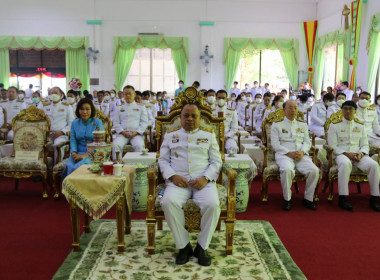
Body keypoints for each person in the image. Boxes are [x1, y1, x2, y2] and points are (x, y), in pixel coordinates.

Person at [159, 103, 222, 266]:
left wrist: (206, 178)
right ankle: (184, 246)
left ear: (200, 118)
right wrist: (172, 176)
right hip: (179, 182)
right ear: (180, 118)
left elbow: (216, 161)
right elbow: (163, 160)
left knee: (213, 204)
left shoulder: (209, 135)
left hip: (203, 182)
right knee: (168, 202)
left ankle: (202, 246)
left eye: (194, 115)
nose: (190, 119)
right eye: (186, 115)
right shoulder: (171, 135)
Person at [327, 101, 380, 211]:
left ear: (355, 111)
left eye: (350, 109)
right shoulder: (334, 125)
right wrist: (347, 154)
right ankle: (343, 198)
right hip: (342, 154)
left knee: (374, 165)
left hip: (358, 154)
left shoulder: (360, 126)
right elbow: (332, 145)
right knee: (345, 164)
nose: (347, 111)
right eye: (345, 109)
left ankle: (374, 198)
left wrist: (361, 153)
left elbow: (365, 144)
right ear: (342, 110)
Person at [271, 101, 319, 211]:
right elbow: (275, 144)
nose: (293, 110)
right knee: (287, 170)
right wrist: (289, 153)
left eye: (295, 108)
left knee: (314, 170)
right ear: (284, 110)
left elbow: (307, 142)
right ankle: (287, 199)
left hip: (300, 155)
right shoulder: (277, 124)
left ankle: (308, 198)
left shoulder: (302, 124)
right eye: (290, 108)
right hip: (284, 155)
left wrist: (302, 152)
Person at [61, 98, 103, 179]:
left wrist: (85, 155)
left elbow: (99, 143)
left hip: (93, 154)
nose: (84, 112)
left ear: (91, 110)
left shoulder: (97, 122)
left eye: (87, 109)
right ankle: (71, 190)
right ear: (78, 110)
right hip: (77, 153)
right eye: (82, 109)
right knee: (70, 166)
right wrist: (73, 153)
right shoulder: (74, 123)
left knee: (78, 166)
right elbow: (73, 140)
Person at [113, 85, 148, 158]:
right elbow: (116, 122)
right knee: (116, 145)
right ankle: (118, 166)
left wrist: (136, 132)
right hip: (122, 134)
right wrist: (122, 131)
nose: (128, 95)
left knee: (139, 145)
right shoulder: (119, 108)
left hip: (136, 134)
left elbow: (144, 122)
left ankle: (137, 166)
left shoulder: (141, 107)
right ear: (123, 95)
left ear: (134, 94)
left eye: (130, 93)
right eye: (126, 93)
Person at [42, 86, 74, 162]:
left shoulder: (67, 106)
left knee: (58, 145)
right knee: (39, 144)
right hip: (48, 134)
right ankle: (44, 166)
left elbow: (71, 123)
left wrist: (61, 132)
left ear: (61, 95)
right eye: (52, 93)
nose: (53, 95)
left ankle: (57, 166)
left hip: (61, 134)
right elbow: (42, 121)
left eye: (56, 93)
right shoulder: (45, 106)